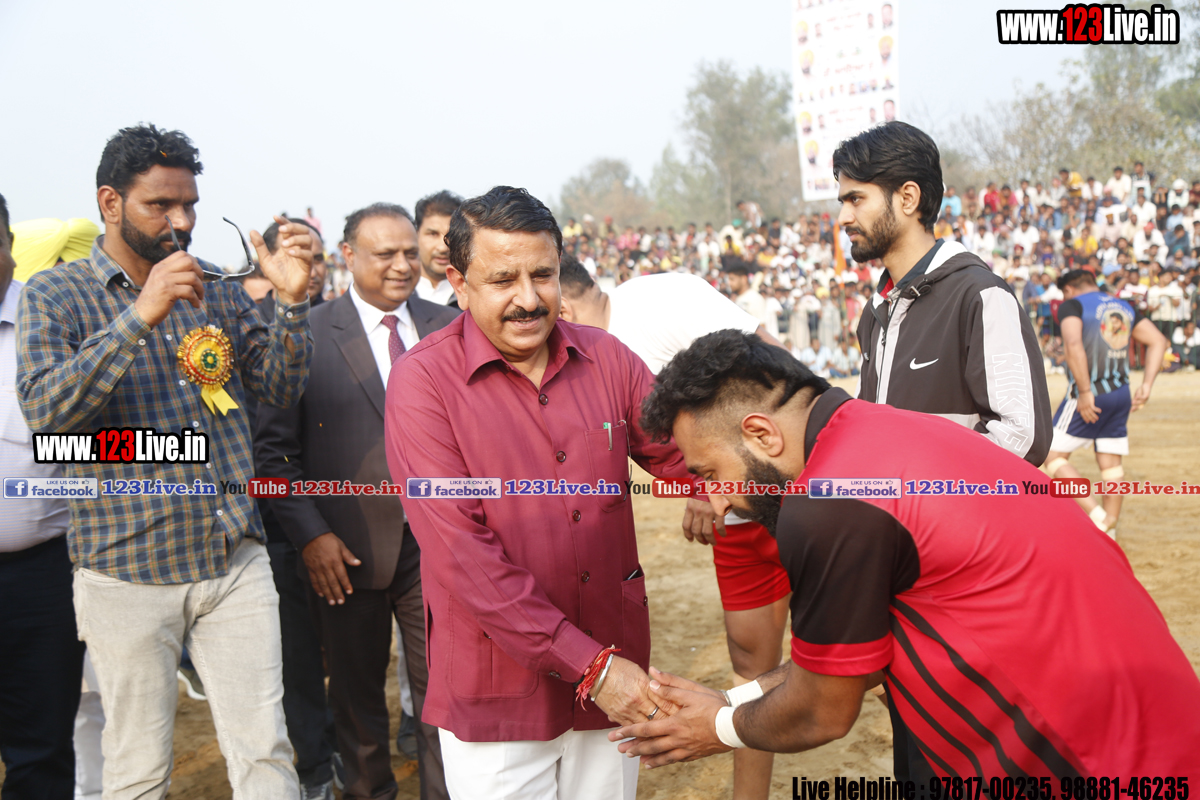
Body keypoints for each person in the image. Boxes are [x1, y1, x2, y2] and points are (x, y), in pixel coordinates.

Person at [610, 329, 1200, 780]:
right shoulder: (879, 429)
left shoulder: (828, 501)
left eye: (710, 473)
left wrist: (717, 726)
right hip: (1156, 734)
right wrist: (731, 699)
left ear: (762, 433)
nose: (715, 501)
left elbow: (823, 710)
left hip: (1090, 760)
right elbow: (856, 657)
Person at [17, 124, 314, 798]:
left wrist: (293, 305)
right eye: (160, 204)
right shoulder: (56, 295)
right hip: (126, 569)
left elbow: (279, 388)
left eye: (190, 205)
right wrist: (140, 315)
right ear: (110, 202)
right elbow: (48, 416)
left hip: (232, 557)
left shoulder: (214, 284)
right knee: (139, 769)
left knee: (266, 752)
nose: (181, 221)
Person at [384, 186, 696, 800]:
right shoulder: (422, 382)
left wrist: (769, 487)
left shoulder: (608, 359)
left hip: (612, 672)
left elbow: (684, 455)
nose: (528, 299)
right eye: (503, 280)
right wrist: (591, 666)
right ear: (459, 283)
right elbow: (462, 556)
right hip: (500, 692)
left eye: (543, 276)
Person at [556, 257, 790, 800]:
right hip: (738, 520)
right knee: (752, 673)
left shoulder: (662, 299)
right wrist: (706, 485)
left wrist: (741, 471)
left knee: (868, 644)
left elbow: (774, 360)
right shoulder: (579, 362)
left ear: (562, 308)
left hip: (797, 494)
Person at [257, 203, 457, 800]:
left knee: (445, 701)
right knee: (356, 706)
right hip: (342, 553)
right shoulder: (304, 332)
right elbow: (273, 453)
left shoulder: (451, 326)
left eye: (410, 253)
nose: (402, 265)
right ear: (347, 256)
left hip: (441, 549)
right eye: (385, 254)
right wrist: (311, 536)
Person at [839, 121, 1051, 465]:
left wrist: (914, 484)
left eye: (856, 199)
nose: (843, 217)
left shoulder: (980, 295)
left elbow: (1021, 437)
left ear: (908, 198)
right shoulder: (875, 311)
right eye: (843, 201)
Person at [0, 192, 86, 798]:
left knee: (43, 748)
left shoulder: (53, 319)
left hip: (41, 576)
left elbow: (95, 440)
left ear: (8, 246)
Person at [252, 218, 341, 798]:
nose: (306, 264)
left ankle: (341, 749)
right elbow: (268, 443)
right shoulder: (250, 326)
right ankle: (314, 765)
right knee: (298, 658)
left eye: (314, 254)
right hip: (279, 524)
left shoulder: (337, 323)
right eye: (291, 252)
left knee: (345, 653)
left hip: (344, 518)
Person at [1043, 269, 1169, 535]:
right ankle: (1109, 529)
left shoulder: (1072, 305)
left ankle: (1098, 515)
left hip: (1089, 393)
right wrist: (1147, 384)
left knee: (1051, 455)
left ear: (1069, 289)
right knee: (1111, 465)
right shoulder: (1124, 306)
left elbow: (1073, 343)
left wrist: (1084, 391)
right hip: (1121, 394)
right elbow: (1158, 340)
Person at [414, 190, 463, 307]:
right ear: (415, 235)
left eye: (451, 236)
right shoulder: (396, 298)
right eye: (432, 234)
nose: (443, 247)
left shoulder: (475, 299)